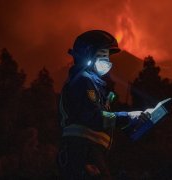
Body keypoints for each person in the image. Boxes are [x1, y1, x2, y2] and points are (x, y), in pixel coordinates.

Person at [57, 30, 150, 180]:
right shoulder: (83, 82)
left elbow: (103, 120)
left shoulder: (92, 83)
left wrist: (133, 121)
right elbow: (95, 118)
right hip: (82, 152)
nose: (106, 60)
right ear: (88, 55)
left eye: (107, 55)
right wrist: (128, 116)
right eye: (102, 55)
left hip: (88, 151)